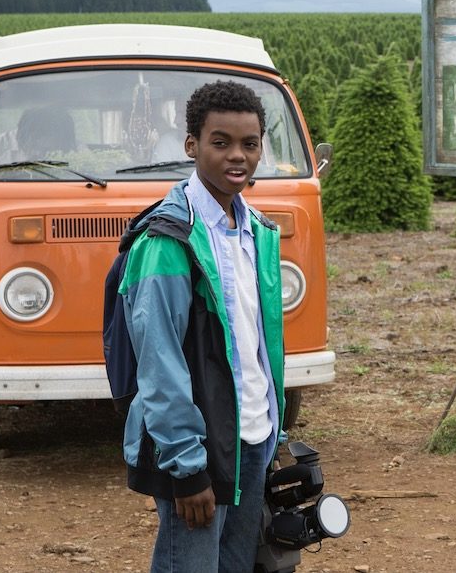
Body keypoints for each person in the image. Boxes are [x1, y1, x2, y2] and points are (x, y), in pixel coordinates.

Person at [119, 80, 285, 572]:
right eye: (221, 142)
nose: (238, 156)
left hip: (252, 438)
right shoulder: (168, 240)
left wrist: (272, 428)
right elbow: (159, 361)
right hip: (198, 449)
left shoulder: (257, 231)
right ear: (191, 145)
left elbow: (256, 345)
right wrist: (187, 468)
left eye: (250, 144)